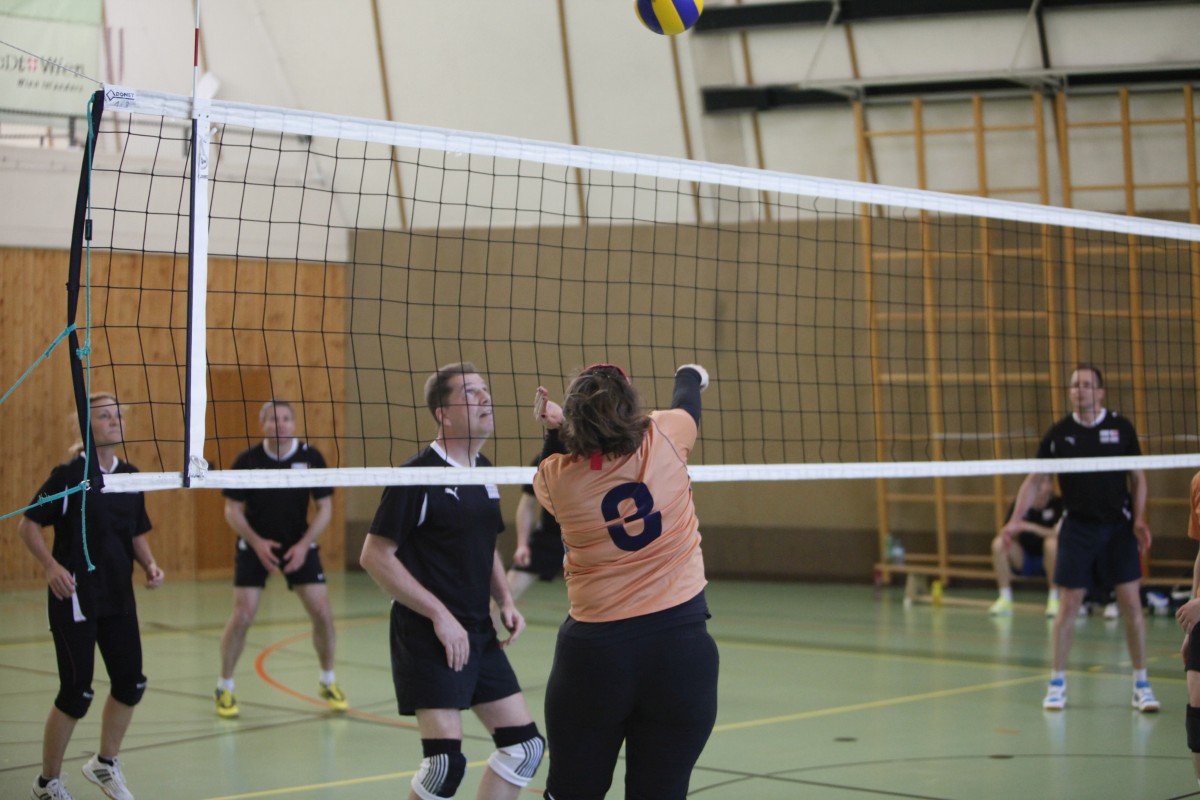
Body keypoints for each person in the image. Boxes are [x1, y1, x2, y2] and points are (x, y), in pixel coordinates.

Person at [532, 363, 719, 800]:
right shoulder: (665, 434)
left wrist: (558, 431)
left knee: (572, 792)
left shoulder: (557, 479)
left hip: (596, 657)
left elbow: (561, 460)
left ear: (575, 422)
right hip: (681, 653)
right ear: (631, 407)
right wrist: (690, 373)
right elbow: (687, 401)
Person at [360, 363, 544, 800]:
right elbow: (374, 555)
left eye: (485, 389)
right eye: (470, 393)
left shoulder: (484, 470)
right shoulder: (417, 476)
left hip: (477, 630)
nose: (485, 398)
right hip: (428, 633)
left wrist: (505, 599)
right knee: (444, 766)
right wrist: (439, 615)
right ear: (443, 414)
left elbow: (485, 545)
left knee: (525, 749)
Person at [17, 393, 165, 800]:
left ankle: (104, 763)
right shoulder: (68, 476)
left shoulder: (130, 476)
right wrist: (51, 566)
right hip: (76, 597)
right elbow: (28, 526)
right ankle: (47, 784)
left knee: (131, 683)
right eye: (104, 416)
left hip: (118, 597)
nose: (114, 421)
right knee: (76, 693)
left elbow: (135, 532)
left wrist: (150, 564)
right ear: (86, 425)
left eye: (118, 415)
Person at [1003, 364, 1157, 712]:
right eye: (1075, 385)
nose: (1080, 390)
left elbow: (1138, 478)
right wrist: (1014, 521)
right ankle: (1057, 682)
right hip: (1077, 528)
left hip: (1118, 527)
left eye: (1087, 385)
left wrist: (1139, 519)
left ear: (1100, 391)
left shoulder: (1121, 428)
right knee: (1069, 604)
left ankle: (1142, 684)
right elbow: (1033, 480)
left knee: (1131, 604)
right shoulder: (1059, 434)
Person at [215, 400, 345, 718]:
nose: (280, 424)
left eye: (286, 418)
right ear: (262, 425)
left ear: (294, 424)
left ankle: (328, 680)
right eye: (273, 419)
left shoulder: (311, 458)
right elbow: (232, 510)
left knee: (322, 612)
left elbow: (325, 509)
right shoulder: (247, 460)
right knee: (243, 615)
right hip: (254, 544)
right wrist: (257, 543)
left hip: (298, 543)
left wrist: (303, 546)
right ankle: (225, 686)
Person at [989, 476, 1063, 617]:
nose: (1040, 485)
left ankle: (1054, 599)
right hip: (1025, 559)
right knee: (998, 544)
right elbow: (1006, 530)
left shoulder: (1058, 504)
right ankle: (1005, 598)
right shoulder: (1021, 504)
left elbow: (1060, 535)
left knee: (1051, 544)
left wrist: (1030, 527)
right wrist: (1010, 532)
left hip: (1051, 561)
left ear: (1051, 485)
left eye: (1045, 481)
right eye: (1038, 480)